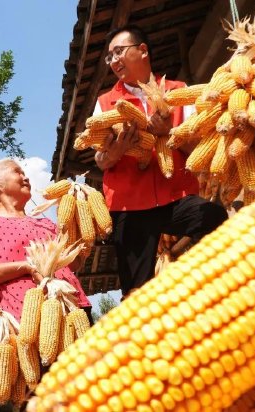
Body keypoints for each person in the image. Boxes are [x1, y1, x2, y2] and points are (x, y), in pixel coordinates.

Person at [94, 24, 229, 297]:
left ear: (142, 50)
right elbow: (101, 160)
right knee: (135, 291)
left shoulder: (179, 91)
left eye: (119, 52)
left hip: (175, 196)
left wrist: (168, 131)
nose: (114, 61)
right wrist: (116, 152)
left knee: (214, 217)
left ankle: (205, 291)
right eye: (110, 57)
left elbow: (197, 150)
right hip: (129, 206)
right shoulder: (106, 102)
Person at [0, 158, 92, 323]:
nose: (26, 177)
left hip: (74, 307)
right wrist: (26, 267)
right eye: (17, 172)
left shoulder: (46, 223)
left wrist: (82, 231)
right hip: (27, 317)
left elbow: (72, 264)